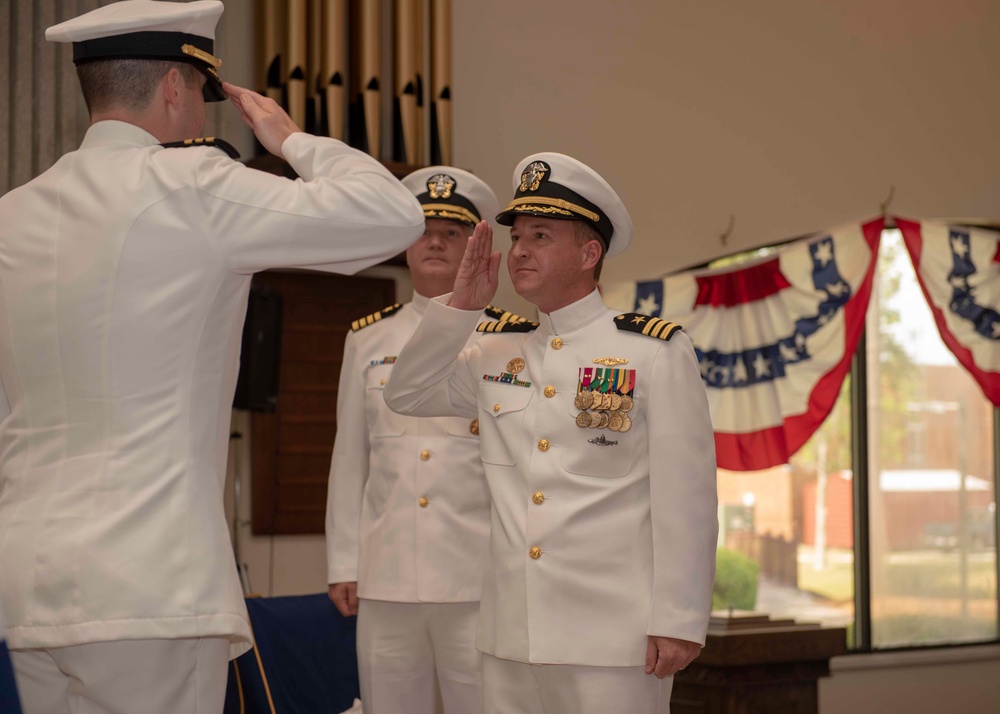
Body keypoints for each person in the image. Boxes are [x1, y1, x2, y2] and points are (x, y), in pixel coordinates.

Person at [0, 1, 424, 712]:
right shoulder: (194, 188)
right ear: (174, 86)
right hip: (151, 585)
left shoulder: (12, 214)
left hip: (29, 584)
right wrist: (293, 140)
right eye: (200, 92)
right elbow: (394, 215)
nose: (200, 113)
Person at [383, 153, 719, 713]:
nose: (520, 250)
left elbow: (688, 498)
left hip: (615, 640)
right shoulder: (493, 350)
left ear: (590, 254)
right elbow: (406, 394)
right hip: (511, 636)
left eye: (541, 235)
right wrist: (460, 309)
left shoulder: (652, 351)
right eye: (517, 237)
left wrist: (680, 620)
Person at [326, 166, 513, 714]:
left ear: (476, 245)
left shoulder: (509, 339)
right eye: (423, 229)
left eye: (452, 232)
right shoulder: (367, 339)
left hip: (477, 575)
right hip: (385, 576)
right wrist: (344, 562)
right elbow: (350, 457)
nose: (434, 240)